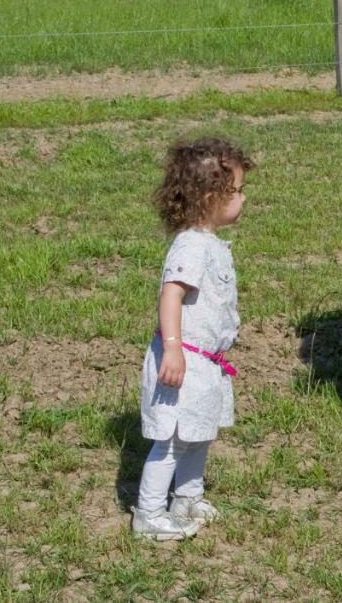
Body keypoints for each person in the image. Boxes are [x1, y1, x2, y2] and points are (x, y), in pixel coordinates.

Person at [132, 137, 254, 540]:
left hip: (205, 364)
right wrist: (172, 348)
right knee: (171, 442)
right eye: (236, 191)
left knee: (197, 435)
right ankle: (149, 513)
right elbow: (171, 292)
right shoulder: (190, 246)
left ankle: (186, 498)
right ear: (209, 197)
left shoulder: (209, 243)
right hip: (182, 361)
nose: (243, 199)